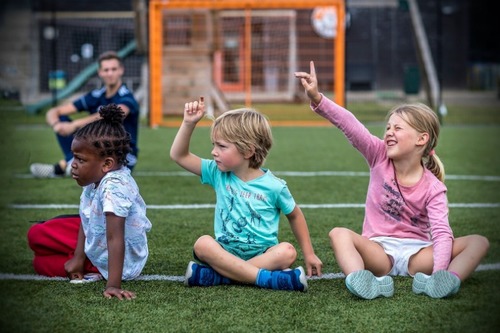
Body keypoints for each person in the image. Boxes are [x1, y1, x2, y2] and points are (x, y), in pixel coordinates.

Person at [295, 61, 489, 299]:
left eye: (397, 128)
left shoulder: (434, 187)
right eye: (388, 128)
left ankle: (442, 282)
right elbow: (350, 125)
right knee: (339, 233)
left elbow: (441, 233)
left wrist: (438, 271)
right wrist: (317, 98)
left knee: (478, 242)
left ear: (421, 139)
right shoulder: (378, 155)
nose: (388, 132)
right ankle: (364, 282)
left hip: (417, 256)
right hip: (378, 252)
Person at [170, 97, 323, 291]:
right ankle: (267, 279)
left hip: (263, 253)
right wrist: (188, 123)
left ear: (248, 151)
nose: (213, 152)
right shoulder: (217, 173)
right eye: (214, 144)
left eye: (221, 146)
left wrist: (309, 254)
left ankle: (222, 276)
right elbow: (179, 156)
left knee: (287, 252)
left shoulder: (275, 186)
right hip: (226, 251)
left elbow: (295, 215)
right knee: (203, 244)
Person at [27, 104, 152, 300]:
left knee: (40, 263)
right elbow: (87, 217)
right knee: (36, 235)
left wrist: (113, 285)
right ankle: (79, 259)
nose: (73, 165)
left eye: (79, 159)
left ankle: (93, 268)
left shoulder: (114, 187)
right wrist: (77, 257)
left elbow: (115, 237)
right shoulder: (96, 178)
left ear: (107, 164)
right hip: (99, 240)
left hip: (118, 261)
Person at [30, 51, 140, 178]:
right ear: (100, 72)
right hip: (95, 149)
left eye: (114, 69)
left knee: (101, 154)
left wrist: (74, 124)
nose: (110, 73)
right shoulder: (96, 95)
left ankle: (62, 167)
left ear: (121, 70)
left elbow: (115, 114)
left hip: (122, 154)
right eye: (106, 70)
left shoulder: (127, 96)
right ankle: (73, 162)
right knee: (61, 119)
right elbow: (54, 111)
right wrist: (57, 125)